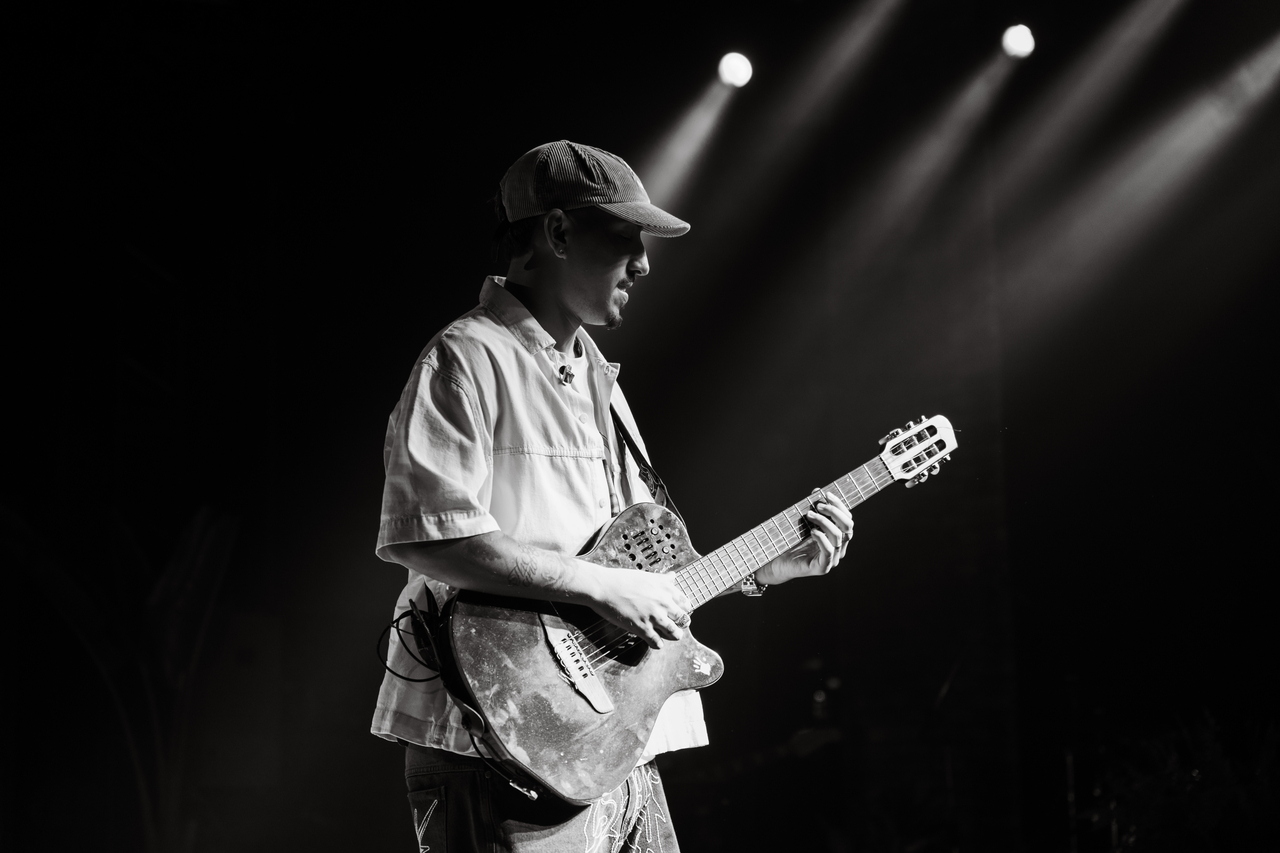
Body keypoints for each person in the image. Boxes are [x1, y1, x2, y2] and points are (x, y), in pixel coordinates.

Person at [372, 140, 854, 852]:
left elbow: (642, 574)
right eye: (624, 237)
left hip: (613, 750)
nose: (644, 263)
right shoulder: (466, 358)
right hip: (499, 751)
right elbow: (423, 534)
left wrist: (768, 569)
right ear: (558, 232)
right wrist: (601, 586)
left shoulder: (603, 384)